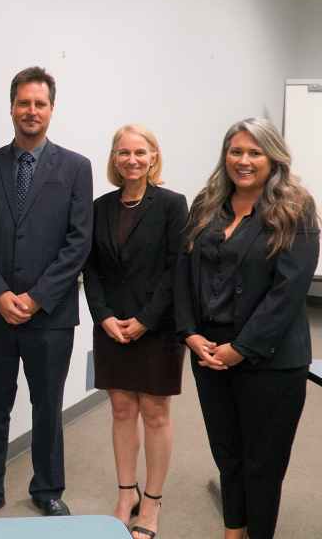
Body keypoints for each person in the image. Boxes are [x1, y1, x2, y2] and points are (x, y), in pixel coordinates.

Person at [0, 66, 93, 519]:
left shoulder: (76, 168)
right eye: (23, 103)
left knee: (46, 407)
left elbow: (79, 242)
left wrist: (34, 298)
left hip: (50, 316)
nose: (31, 111)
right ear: (11, 107)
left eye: (40, 103)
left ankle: (47, 489)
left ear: (52, 109)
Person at [174, 118, 319, 539]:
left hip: (269, 362)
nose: (244, 160)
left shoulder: (297, 208)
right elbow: (183, 272)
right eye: (236, 151)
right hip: (209, 355)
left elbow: (288, 291)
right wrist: (190, 333)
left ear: (273, 157)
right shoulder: (206, 203)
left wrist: (242, 347)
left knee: (262, 465)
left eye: (255, 152)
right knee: (228, 457)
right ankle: (232, 533)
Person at [82, 124, 187, 539]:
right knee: (121, 410)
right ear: (114, 158)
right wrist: (102, 315)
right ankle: (127, 495)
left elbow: (176, 267)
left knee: (155, 414)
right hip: (111, 326)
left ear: (153, 158)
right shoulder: (100, 207)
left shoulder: (172, 204)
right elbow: (90, 267)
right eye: (123, 152)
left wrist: (146, 319)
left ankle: (153, 504)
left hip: (157, 326)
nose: (131, 159)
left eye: (140, 152)